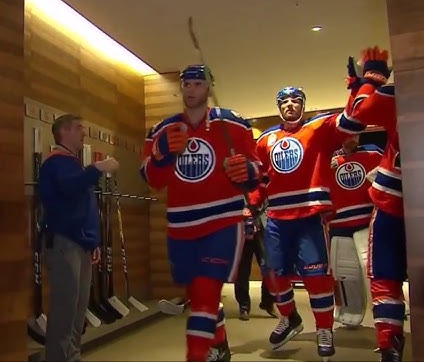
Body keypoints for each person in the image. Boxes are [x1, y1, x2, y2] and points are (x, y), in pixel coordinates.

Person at [140, 64, 262, 362]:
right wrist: (160, 156)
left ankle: (196, 355)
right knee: (198, 295)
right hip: (181, 225)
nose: (190, 89)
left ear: (209, 88)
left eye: (197, 84)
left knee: (206, 296)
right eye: (186, 84)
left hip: (221, 222)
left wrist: (246, 171)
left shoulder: (234, 125)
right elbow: (152, 180)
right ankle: (218, 343)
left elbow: (257, 171)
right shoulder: (161, 130)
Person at [254, 85, 363, 360]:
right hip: (278, 218)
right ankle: (289, 317)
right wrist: (250, 203)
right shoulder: (265, 140)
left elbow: (351, 120)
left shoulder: (319, 128)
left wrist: (358, 89)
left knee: (316, 278)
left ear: (303, 104)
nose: (290, 105)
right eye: (284, 102)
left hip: (309, 217)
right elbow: (259, 180)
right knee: (273, 275)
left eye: (295, 100)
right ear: (278, 108)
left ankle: (324, 330)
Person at [339, 46, 407, 362]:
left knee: (384, 275)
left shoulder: (402, 89)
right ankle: (389, 341)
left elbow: (358, 114)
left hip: (395, 201)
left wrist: (369, 80)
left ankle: (389, 341)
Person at [37, 114, 119, 362]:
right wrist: (97, 168)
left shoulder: (72, 163)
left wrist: (92, 241)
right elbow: (69, 188)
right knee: (65, 309)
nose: (84, 133)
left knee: (77, 309)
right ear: (65, 131)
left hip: (80, 243)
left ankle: (72, 357)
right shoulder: (55, 162)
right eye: (80, 128)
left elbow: (83, 206)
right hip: (64, 242)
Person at [327, 135, 382, 328]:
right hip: (339, 224)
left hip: (368, 222)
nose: (350, 138)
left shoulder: (373, 153)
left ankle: (387, 312)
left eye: (354, 134)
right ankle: (349, 310)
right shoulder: (327, 159)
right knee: (344, 273)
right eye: (345, 134)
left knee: (375, 270)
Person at [234, 208, 276, 321]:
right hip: (242, 227)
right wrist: (239, 211)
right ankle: (243, 306)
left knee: (269, 267)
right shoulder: (238, 190)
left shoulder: (263, 190)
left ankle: (268, 302)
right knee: (242, 270)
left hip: (263, 227)